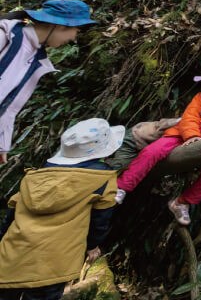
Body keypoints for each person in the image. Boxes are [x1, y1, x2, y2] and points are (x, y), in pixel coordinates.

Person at [0, 118, 123, 300]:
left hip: (13, 256)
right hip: (55, 263)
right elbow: (100, 219)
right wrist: (92, 246)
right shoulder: (102, 179)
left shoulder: (37, 176)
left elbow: (11, 215)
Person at [115, 64, 201, 225]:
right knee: (151, 151)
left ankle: (181, 203)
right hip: (181, 135)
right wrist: (193, 135)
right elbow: (189, 118)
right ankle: (122, 187)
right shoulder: (200, 98)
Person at [0, 0, 97, 164]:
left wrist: (2, 145)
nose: (74, 38)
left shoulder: (36, 59)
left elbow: (9, 108)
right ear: (59, 25)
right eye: (76, 30)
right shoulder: (6, 35)